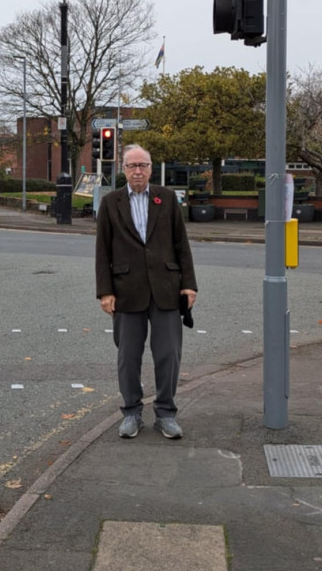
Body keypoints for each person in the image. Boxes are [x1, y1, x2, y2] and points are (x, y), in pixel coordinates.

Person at [95, 144, 198, 440]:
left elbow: (181, 244)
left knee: (168, 355)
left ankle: (166, 413)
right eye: (132, 166)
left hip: (166, 288)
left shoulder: (166, 198)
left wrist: (189, 284)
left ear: (151, 168)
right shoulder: (111, 202)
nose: (138, 171)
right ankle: (131, 412)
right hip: (126, 291)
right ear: (123, 169)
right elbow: (102, 250)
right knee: (128, 356)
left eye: (143, 165)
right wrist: (105, 291)